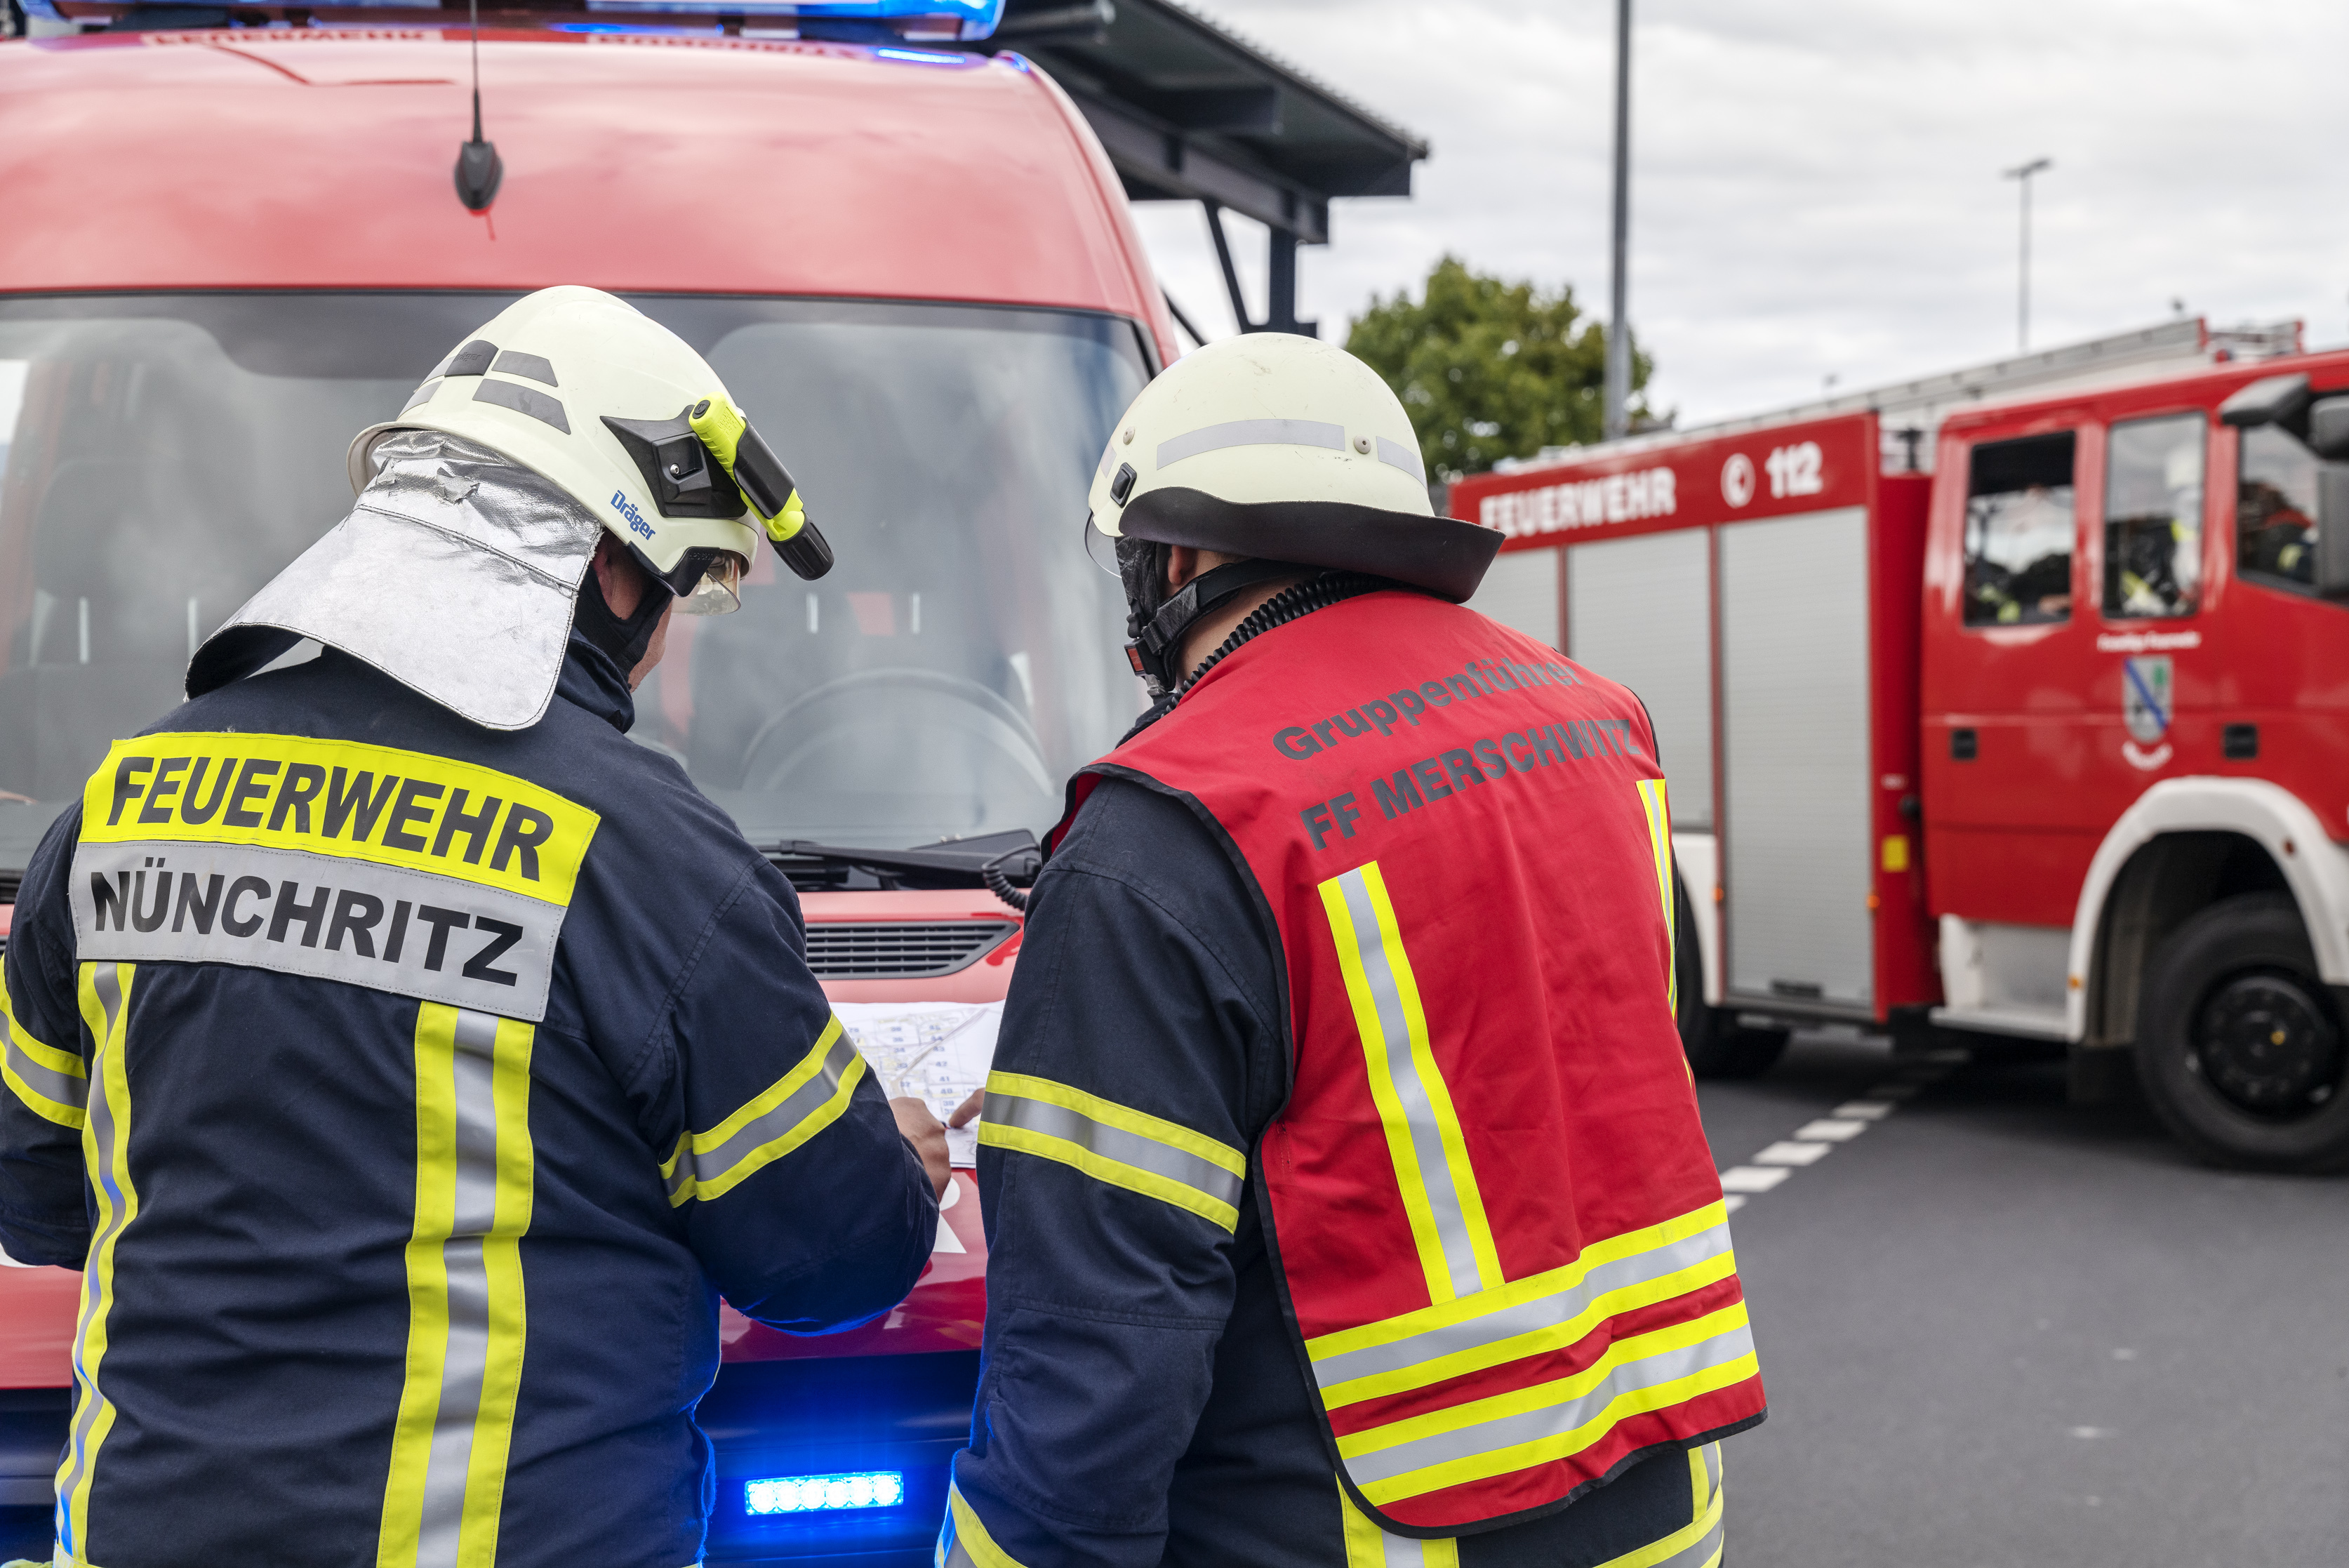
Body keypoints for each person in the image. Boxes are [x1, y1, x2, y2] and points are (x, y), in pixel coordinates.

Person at [0, 286, 946, 1568]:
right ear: (609, 567)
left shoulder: (116, 808)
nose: (662, 640)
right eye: (675, 587)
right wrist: (895, 1167)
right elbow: (834, 1260)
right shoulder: (646, 859)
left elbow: (41, 1196)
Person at [938, 333, 1764, 1568]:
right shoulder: (1602, 731)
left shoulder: (1164, 829)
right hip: (1662, 1519)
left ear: (1175, 559)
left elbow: (1094, 1361)